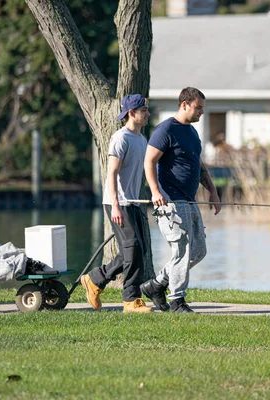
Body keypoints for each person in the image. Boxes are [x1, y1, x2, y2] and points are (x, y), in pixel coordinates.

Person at [140, 87, 222, 313]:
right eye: (199, 108)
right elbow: (149, 162)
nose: (201, 113)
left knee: (198, 251)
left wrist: (213, 192)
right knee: (182, 251)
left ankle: (156, 285)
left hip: (190, 200)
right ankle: (177, 301)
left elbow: (200, 165)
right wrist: (156, 192)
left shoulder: (192, 133)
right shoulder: (165, 130)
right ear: (184, 104)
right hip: (171, 202)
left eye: (203, 109)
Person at [80, 94, 153, 313]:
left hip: (133, 203)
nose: (148, 114)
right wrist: (116, 206)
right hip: (118, 203)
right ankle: (131, 300)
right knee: (134, 249)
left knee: (138, 251)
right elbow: (111, 174)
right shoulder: (120, 138)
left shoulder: (141, 139)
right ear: (132, 113)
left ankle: (94, 280)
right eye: (144, 111)